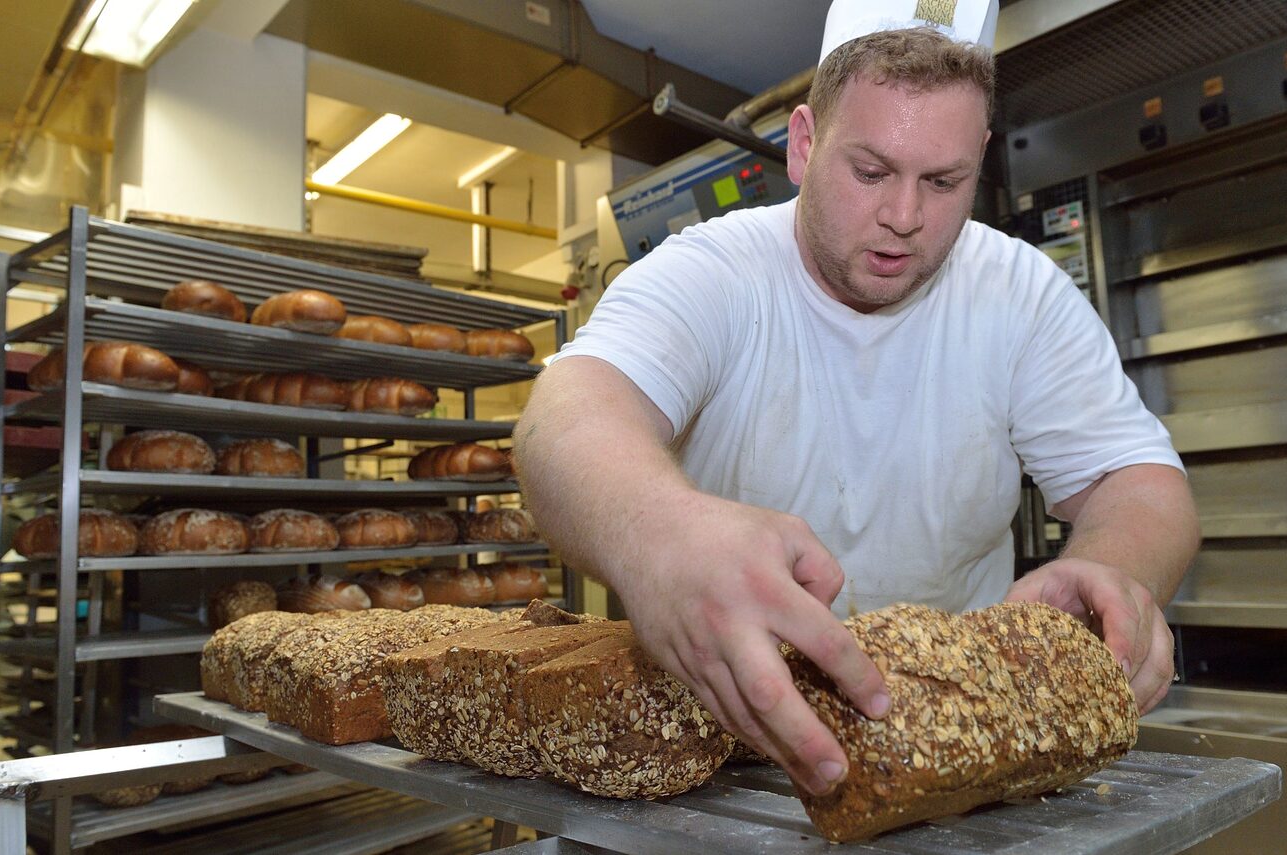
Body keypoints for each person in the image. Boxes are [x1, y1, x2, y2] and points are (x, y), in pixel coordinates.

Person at [513, 2, 1199, 800]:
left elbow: (1139, 482)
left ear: (979, 158)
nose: (904, 217)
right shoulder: (717, 272)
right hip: (726, 761)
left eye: (944, 182)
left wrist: (1107, 570)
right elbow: (566, 416)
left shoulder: (1018, 293)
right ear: (803, 144)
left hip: (956, 758)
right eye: (870, 171)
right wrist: (657, 534)